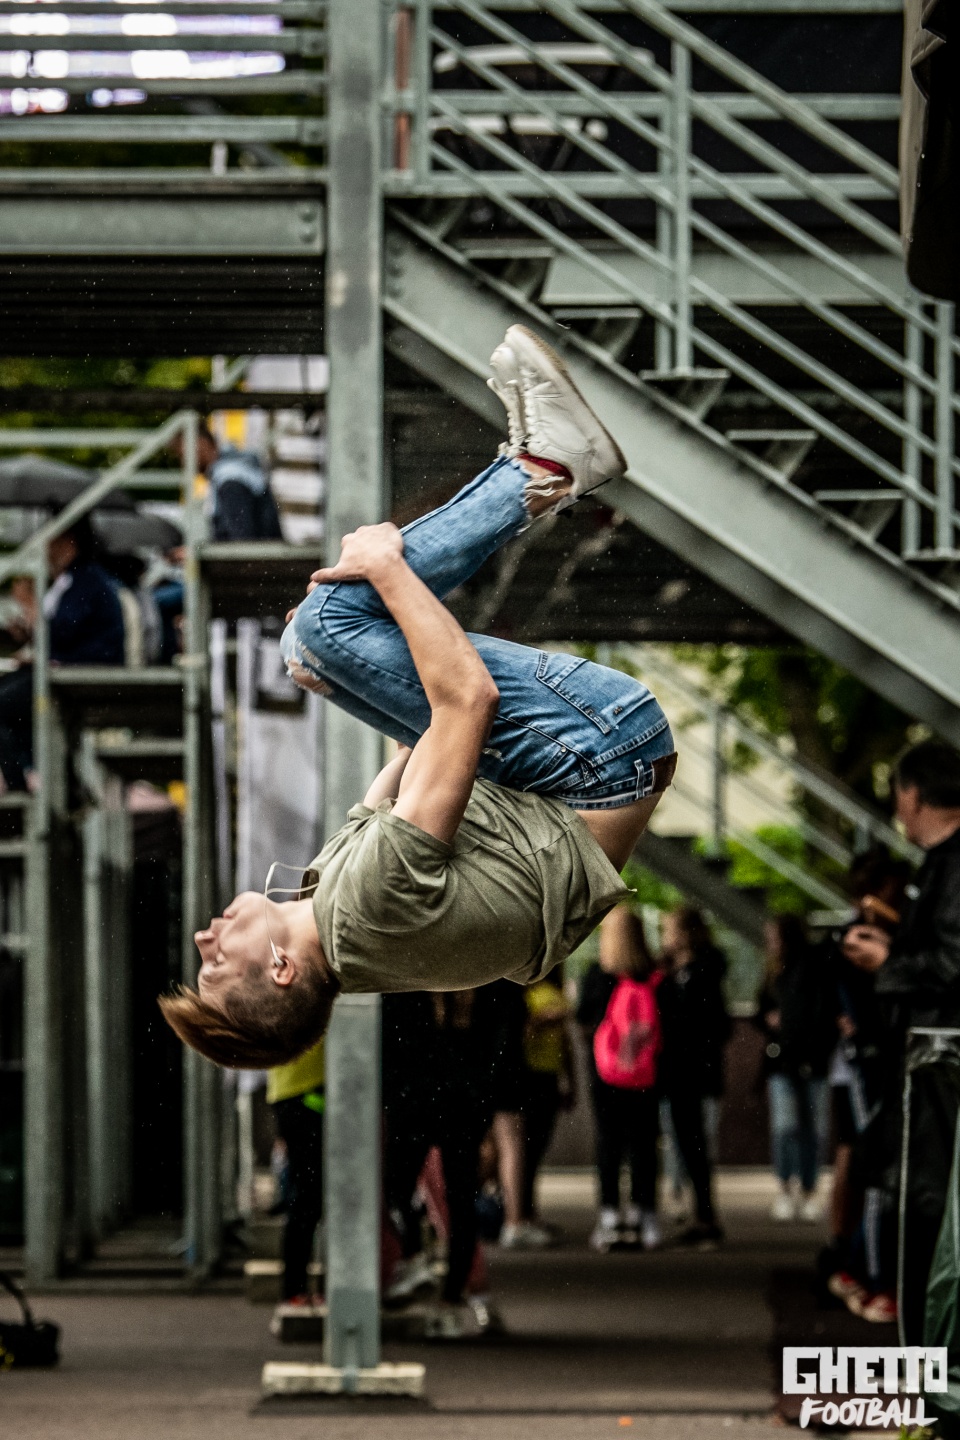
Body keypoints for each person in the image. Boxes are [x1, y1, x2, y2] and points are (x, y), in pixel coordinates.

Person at [160, 325, 678, 1068]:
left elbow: (412, 752)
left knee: (308, 645)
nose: (204, 939)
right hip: (602, 755)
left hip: (566, 781)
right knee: (327, 624)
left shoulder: (342, 924)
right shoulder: (367, 906)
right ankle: (546, 466)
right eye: (214, 966)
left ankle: (541, 469)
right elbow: (466, 703)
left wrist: (341, 671)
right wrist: (385, 570)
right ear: (280, 969)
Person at [843, 739, 960, 1340]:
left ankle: (932, 1359)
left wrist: (888, 961)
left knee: (926, 1204)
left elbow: (952, 963)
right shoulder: (940, 865)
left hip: (939, 1068)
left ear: (911, 796)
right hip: (930, 1064)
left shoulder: (952, 865)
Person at [381, 989, 494, 1339]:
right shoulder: (478, 993)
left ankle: (417, 1259)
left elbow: (392, 1048)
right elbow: (492, 1053)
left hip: (419, 1103)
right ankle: (449, 1292)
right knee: (459, 1201)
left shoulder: (407, 992)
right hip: (458, 1103)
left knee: (400, 1188)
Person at [0, 516, 125, 792]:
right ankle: (52, 782)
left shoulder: (86, 580)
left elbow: (61, 632)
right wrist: (29, 634)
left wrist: (30, 606)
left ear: (67, 539)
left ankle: (26, 787)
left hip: (82, 672)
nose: (44, 547)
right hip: (66, 668)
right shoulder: (72, 580)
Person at [578, 904, 662, 1253]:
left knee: (608, 1142)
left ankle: (610, 1213)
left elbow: (584, 1019)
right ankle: (646, 1212)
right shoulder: (654, 976)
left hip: (606, 1074)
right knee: (644, 1143)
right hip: (647, 1073)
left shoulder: (598, 976)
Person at [656, 907, 729, 1247]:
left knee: (696, 1144)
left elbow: (715, 1024)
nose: (665, 938)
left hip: (694, 1071)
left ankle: (706, 1216)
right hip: (679, 1071)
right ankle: (702, 1214)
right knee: (687, 1143)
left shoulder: (703, 972)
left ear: (685, 934)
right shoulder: (675, 972)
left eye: (669, 930)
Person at [757, 915, 836, 1223]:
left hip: (806, 1058)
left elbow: (818, 1011)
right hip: (785, 1059)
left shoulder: (808, 967)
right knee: (788, 1127)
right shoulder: (774, 970)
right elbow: (762, 1008)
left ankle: (806, 1187)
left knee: (809, 1128)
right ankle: (790, 1186)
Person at [267, 1037, 325, 1304]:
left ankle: (296, 1288)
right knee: (308, 1197)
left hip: (296, 1090)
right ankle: (295, 1289)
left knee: (307, 1197)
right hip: (305, 1090)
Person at [518, 971, 575, 1234]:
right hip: (528, 1077)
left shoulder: (550, 994)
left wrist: (570, 1080)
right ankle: (522, 1211)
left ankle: (528, 1211)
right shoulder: (524, 996)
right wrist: (540, 1021)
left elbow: (565, 1043)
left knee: (536, 1148)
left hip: (548, 1077)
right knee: (527, 1151)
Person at [176, 423, 282, 542]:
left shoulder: (231, 481)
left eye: (182, 455)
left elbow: (241, 541)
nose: (183, 463)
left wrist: (197, 550)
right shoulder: (233, 472)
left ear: (201, 444)